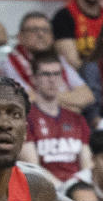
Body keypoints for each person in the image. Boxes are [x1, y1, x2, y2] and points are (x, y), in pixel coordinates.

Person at [19, 52, 92, 182]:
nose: (52, 79)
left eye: (56, 74)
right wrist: (65, 191)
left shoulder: (77, 119)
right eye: (46, 74)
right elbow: (33, 168)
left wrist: (80, 188)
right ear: (34, 79)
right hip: (43, 192)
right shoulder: (25, 119)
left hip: (78, 190)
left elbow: (87, 164)